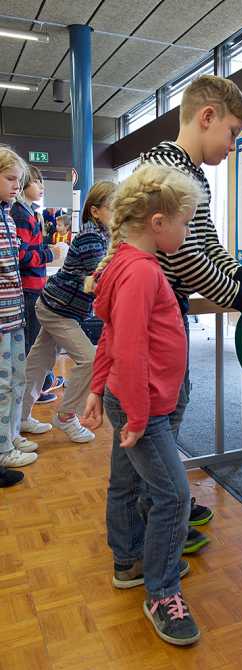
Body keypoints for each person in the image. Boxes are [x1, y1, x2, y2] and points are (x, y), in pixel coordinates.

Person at [140, 74, 242, 548]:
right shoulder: (167, 168)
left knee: (173, 400)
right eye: (233, 133)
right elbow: (182, 257)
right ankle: (160, 511)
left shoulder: (192, 175)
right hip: (151, 308)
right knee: (158, 410)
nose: (234, 145)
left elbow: (208, 248)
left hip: (168, 305)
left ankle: (163, 501)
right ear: (207, 117)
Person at [82, 164, 203, 646]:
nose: (187, 230)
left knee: (126, 482)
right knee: (173, 495)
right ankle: (161, 591)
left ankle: (130, 560)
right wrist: (134, 414)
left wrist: (96, 389)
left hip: (132, 400)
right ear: (158, 222)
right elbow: (127, 346)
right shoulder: (139, 272)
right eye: (185, 222)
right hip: (143, 407)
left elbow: (111, 337)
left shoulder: (129, 264)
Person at [20, 181, 116, 443]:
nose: (119, 213)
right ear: (95, 211)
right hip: (57, 309)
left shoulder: (104, 235)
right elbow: (101, 278)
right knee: (90, 359)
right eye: (113, 207)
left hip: (57, 307)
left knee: (38, 363)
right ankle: (66, 416)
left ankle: (20, 417)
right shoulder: (90, 236)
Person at [11, 164, 63, 418]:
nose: (42, 187)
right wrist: (48, 253)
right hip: (28, 289)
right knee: (33, 344)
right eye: (37, 182)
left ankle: (39, 388)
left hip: (34, 287)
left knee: (35, 341)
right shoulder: (20, 214)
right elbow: (20, 256)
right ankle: (36, 392)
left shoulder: (27, 213)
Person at [0, 145, 37, 470]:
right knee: (2, 384)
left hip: (15, 314)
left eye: (19, 180)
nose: (16, 185)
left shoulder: (9, 218)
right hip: (2, 317)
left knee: (17, 379)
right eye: (10, 178)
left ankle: (11, 435)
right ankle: (2, 448)